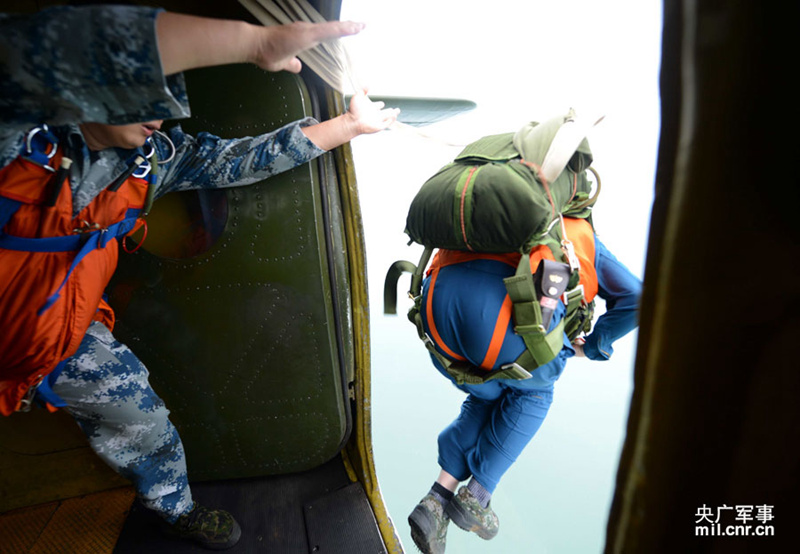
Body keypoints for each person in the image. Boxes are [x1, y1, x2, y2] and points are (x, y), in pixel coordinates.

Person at [0, 4, 399, 550]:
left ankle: (174, 508)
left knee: (144, 420)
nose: (161, 115)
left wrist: (351, 124)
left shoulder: (149, 163)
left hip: (61, 339)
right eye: (148, 88)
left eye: (170, 98)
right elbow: (31, 51)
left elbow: (238, 160)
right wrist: (252, 44)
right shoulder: (16, 137)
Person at [407, 216, 642, 554]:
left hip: (438, 324)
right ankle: (476, 496)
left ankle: (436, 500)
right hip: (499, 330)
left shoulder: (480, 210)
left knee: (492, 392)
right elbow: (636, 297)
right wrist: (592, 347)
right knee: (533, 392)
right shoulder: (577, 232)